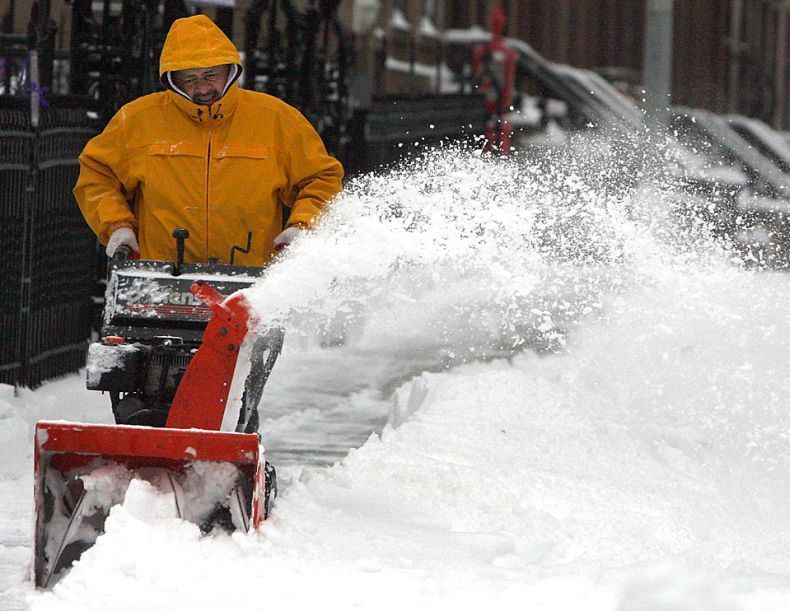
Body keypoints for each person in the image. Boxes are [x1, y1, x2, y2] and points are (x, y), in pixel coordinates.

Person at [74, 14, 343, 265]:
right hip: (162, 278)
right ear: (172, 80)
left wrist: (303, 226)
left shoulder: (276, 119)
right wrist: (117, 227)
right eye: (190, 78)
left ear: (230, 71)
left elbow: (320, 179)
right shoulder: (137, 119)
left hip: (253, 283)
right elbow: (97, 176)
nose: (202, 87)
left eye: (211, 75)